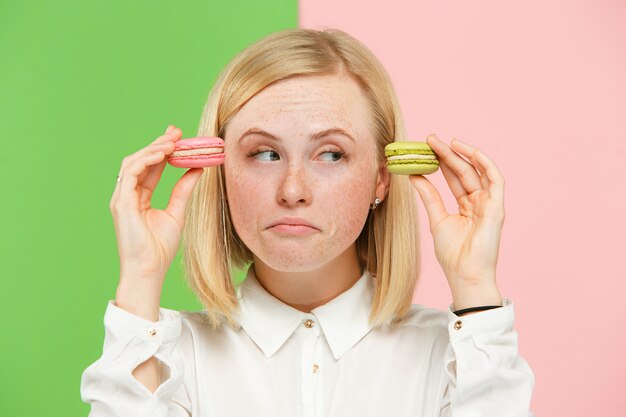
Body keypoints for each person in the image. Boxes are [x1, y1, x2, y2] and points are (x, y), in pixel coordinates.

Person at [80, 28, 535, 416]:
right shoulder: (165, 360)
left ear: (381, 178)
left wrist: (475, 287)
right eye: (264, 153)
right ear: (220, 171)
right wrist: (140, 276)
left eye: (331, 154)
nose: (293, 189)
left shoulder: (454, 356)